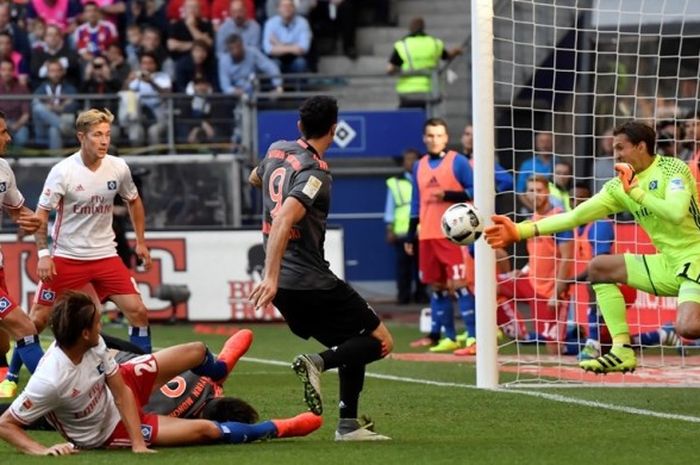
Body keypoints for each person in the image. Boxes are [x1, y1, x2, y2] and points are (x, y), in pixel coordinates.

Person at [485, 120, 700, 373]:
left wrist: (637, 194)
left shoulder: (672, 169)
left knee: (688, 327)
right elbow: (574, 216)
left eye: (621, 147)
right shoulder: (618, 187)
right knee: (599, 268)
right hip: (669, 263)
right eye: (614, 147)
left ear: (641, 146)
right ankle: (621, 351)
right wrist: (520, 230)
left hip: (695, 257)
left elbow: (675, 213)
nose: (615, 153)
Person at [0, 291, 322, 454]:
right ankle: (279, 428)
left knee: (196, 350)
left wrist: (140, 442)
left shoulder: (92, 343)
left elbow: (120, 386)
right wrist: (42, 451)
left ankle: (220, 368)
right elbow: (7, 424)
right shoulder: (50, 380)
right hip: (110, 431)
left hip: (122, 388)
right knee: (207, 431)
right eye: (97, 322)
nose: (103, 325)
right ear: (84, 332)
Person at [248, 96, 394, 441]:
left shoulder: (276, 150)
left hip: (286, 288)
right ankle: (317, 363)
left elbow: (257, 178)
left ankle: (348, 425)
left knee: (350, 344)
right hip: (309, 279)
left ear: (300, 126)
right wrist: (269, 275)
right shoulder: (316, 173)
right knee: (380, 342)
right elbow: (285, 217)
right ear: (334, 129)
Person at [0, 108, 153, 398]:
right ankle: (22, 383)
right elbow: (43, 214)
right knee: (33, 323)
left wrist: (141, 242)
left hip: (105, 255)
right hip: (66, 258)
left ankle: (142, 381)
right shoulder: (63, 172)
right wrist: (44, 253)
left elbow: (23, 211)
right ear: (81, 137)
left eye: (107, 134)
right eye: (97, 134)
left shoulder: (118, 168)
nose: (104, 140)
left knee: (138, 311)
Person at [403, 118, 476, 354]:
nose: (434, 140)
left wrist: (449, 194)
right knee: (437, 286)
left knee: (460, 284)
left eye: (439, 135)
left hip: (454, 234)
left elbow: (477, 190)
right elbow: (416, 202)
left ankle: (474, 338)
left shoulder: (458, 161)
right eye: (430, 136)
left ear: (446, 137)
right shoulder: (420, 165)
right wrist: (409, 235)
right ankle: (450, 337)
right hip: (427, 235)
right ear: (425, 138)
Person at [0, 111, 45, 398]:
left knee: (2, 344)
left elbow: (18, 210)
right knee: (24, 326)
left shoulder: (3, 169)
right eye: (2, 132)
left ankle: (5, 377)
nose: (8, 137)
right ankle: (55, 397)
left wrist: (38, 222)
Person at [386, 17, 462, 108]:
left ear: (410, 29)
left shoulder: (402, 45)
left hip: (407, 91)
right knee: (429, 119)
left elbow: (390, 69)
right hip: (430, 89)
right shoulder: (434, 43)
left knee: (407, 118)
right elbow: (447, 56)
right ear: (423, 27)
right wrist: (456, 51)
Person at [384, 148, 424, 305]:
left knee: (421, 266)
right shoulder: (395, 182)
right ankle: (404, 296)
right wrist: (390, 228)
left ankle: (421, 295)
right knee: (403, 267)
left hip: (422, 231)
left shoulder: (424, 178)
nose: (411, 162)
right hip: (402, 231)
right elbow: (390, 207)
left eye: (414, 159)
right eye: (408, 159)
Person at [516, 131, 555, 213]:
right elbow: (520, 192)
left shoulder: (559, 163)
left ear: (553, 143)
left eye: (548, 141)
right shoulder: (527, 165)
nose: (545, 145)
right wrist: (535, 210)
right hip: (531, 209)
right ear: (536, 144)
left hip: (554, 209)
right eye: (541, 141)